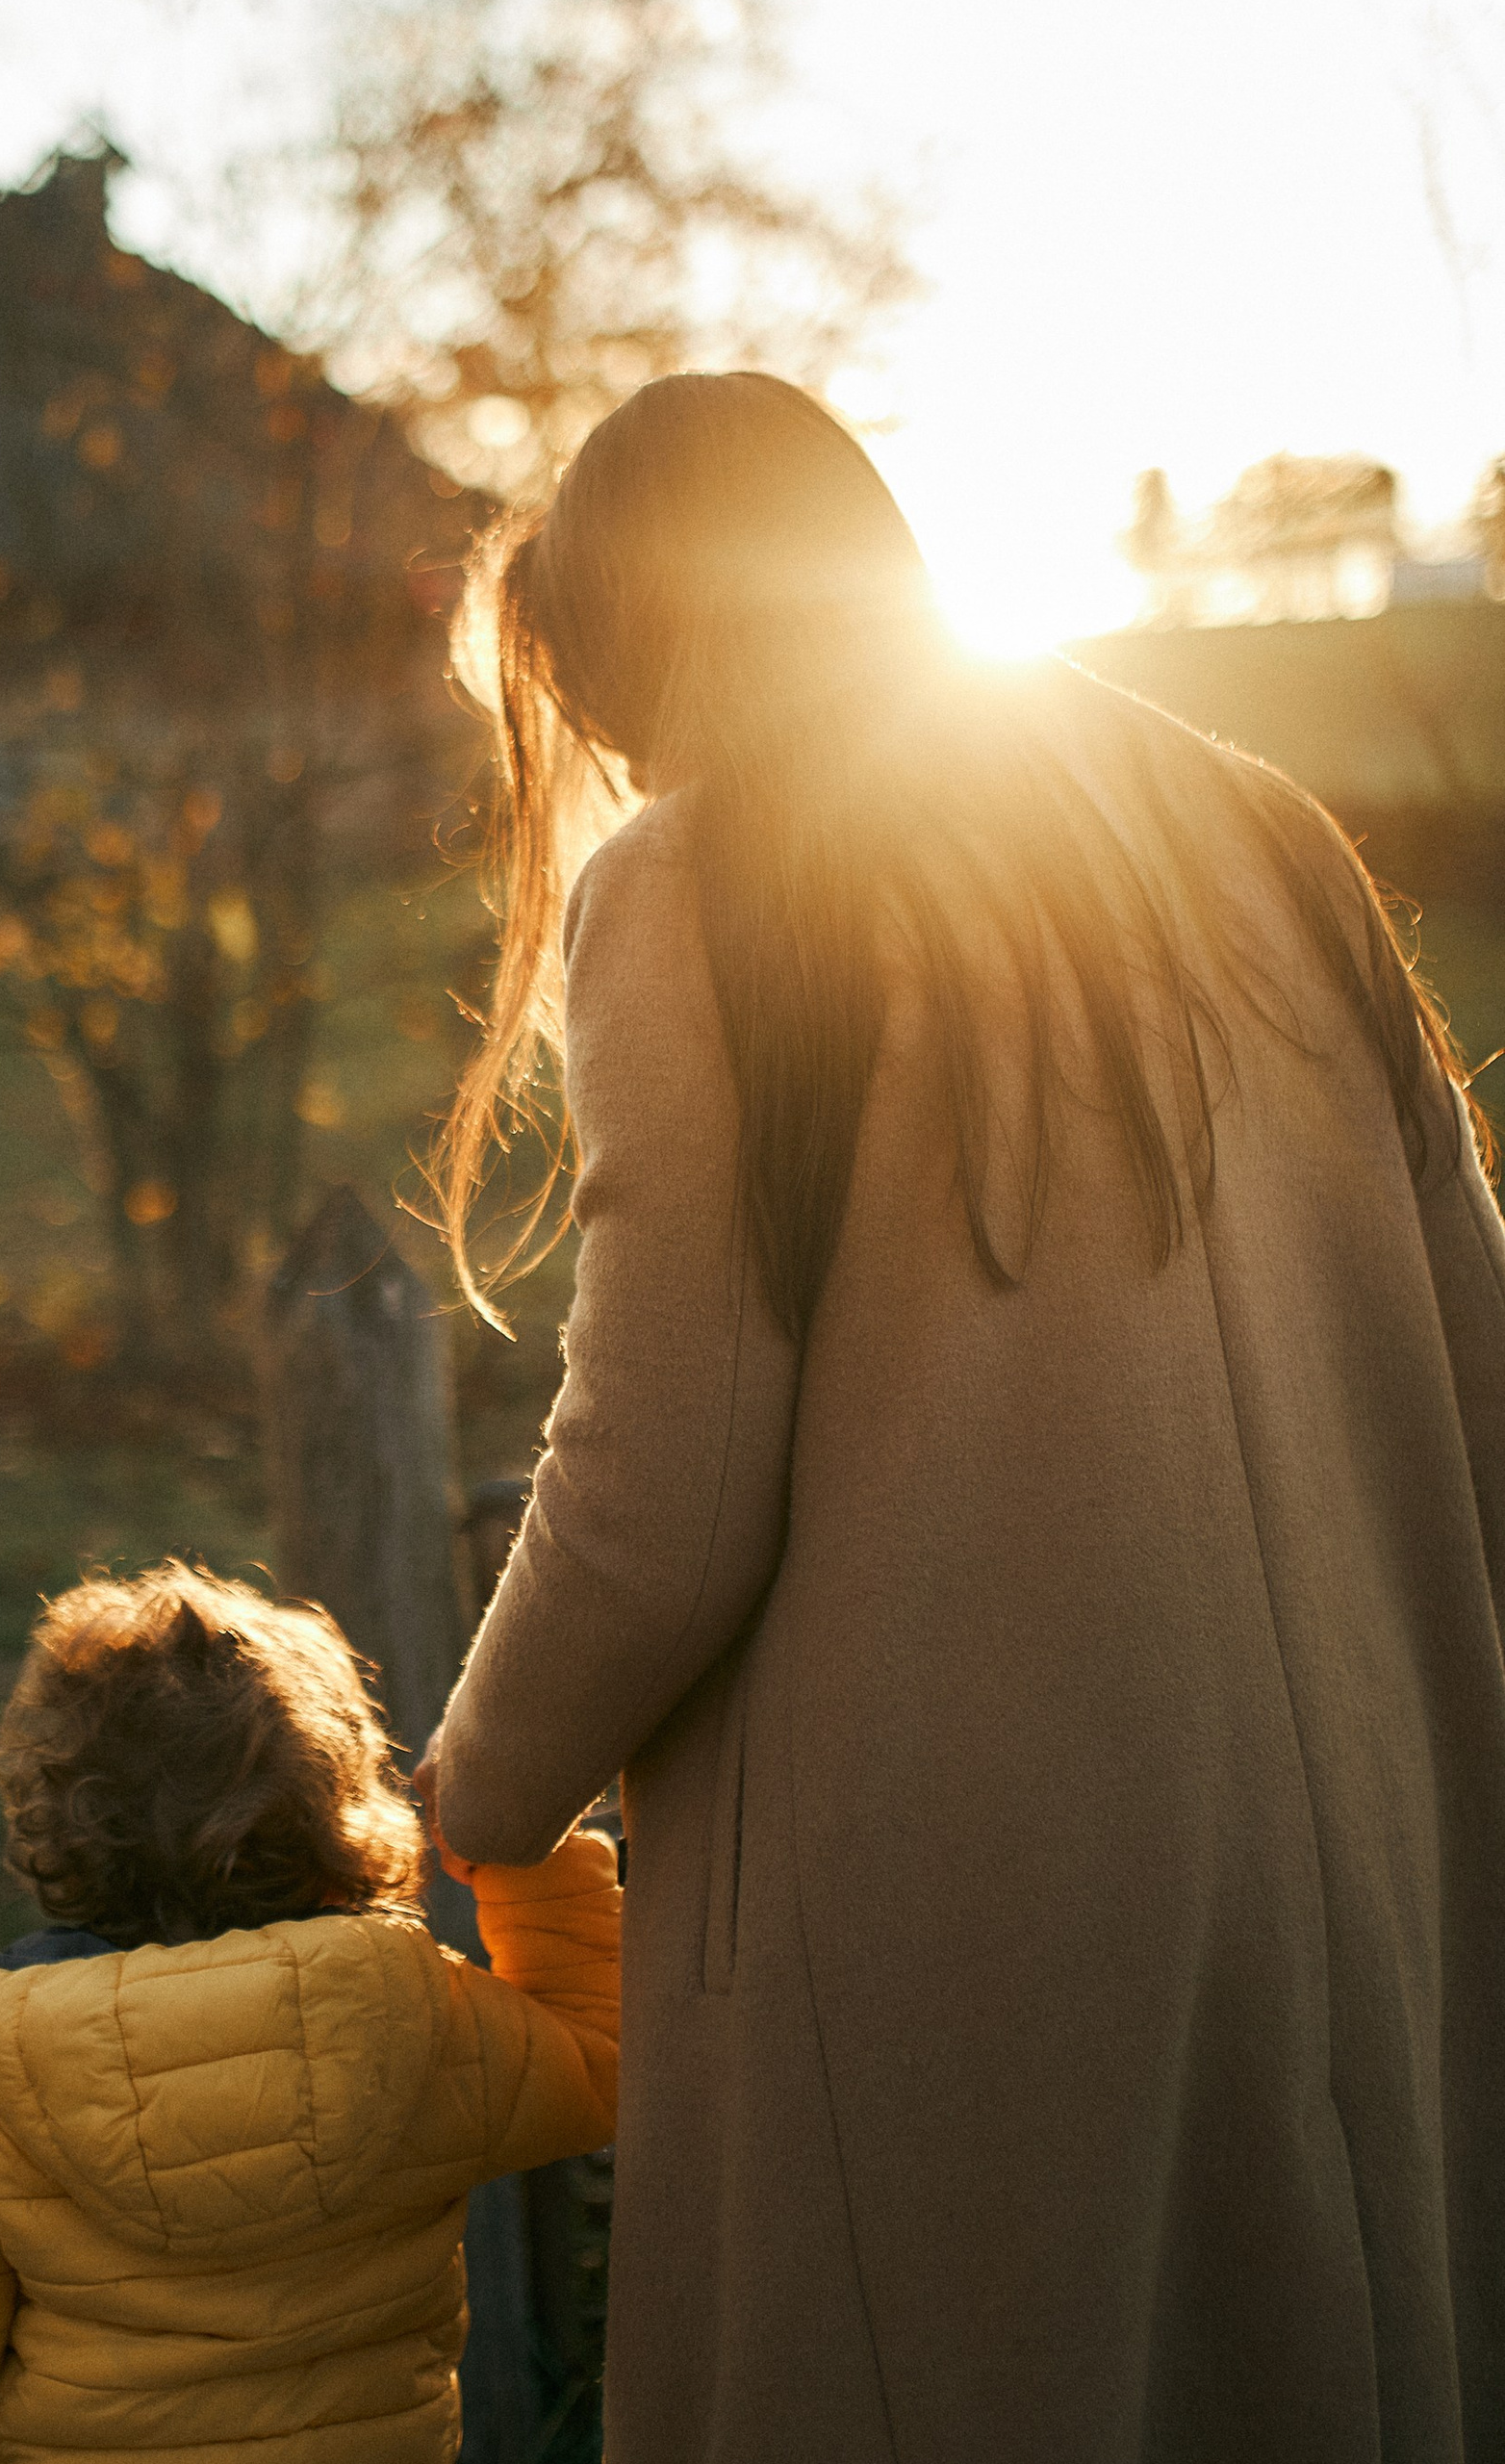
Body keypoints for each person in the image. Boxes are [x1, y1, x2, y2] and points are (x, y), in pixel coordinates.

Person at [419, 371, 1505, 2461]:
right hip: (1369, 1865)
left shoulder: (699, 882)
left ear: (638, 641)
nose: (618, 754)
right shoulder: (1266, 834)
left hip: (961, 1924)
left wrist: (482, 1779)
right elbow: (1483, 1376)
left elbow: (661, 1489)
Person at [0, 1562, 620, 2464]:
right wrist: (524, 1848)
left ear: (61, 1825)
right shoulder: (425, 2023)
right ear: (336, 1812)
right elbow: (603, 2057)